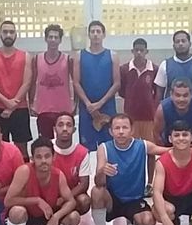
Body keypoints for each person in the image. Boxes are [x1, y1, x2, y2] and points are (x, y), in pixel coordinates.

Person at [90, 114, 176, 225]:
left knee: (148, 222)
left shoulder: (142, 145)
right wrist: (102, 171)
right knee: (96, 191)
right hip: (113, 199)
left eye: (125, 127)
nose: (121, 131)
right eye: (117, 128)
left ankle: (131, 223)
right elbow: (98, 182)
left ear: (132, 130)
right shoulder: (104, 148)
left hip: (134, 200)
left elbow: (167, 151)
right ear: (111, 131)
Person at [3, 137, 81, 225]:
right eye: (39, 157)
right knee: (17, 211)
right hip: (27, 215)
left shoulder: (58, 175)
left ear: (54, 157)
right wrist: (37, 200)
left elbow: (71, 201)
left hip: (47, 216)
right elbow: (8, 201)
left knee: (74, 217)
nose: (43, 160)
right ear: (32, 158)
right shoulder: (24, 171)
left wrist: (56, 217)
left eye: (47, 156)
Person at [0, 21, 33, 159]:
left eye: (11, 32)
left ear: (16, 34)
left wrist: (13, 104)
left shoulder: (25, 56)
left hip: (20, 109)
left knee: (22, 149)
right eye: (5, 32)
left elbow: (27, 83)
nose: (8, 35)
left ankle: (24, 173)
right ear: (0, 34)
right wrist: (7, 103)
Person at [73, 20, 120, 151]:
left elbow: (117, 83)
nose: (95, 34)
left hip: (107, 106)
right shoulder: (79, 55)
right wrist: (88, 104)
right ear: (88, 35)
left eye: (98, 31)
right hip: (86, 108)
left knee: (109, 146)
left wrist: (100, 103)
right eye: (92, 31)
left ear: (103, 35)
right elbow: (76, 82)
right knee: (86, 147)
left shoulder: (113, 55)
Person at [119, 38, 158, 196]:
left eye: (142, 50)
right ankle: (133, 183)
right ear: (132, 51)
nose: (139, 53)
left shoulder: (154, 69)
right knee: (131, 152)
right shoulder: (124, 69)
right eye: (137, 50)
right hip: (131, 119)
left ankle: (150, 184)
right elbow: (122, 91)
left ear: (147, 51)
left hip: (149, 118)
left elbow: (157, 92)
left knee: (150, 152)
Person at [30, 24, 74, 139]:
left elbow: (76, 83)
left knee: (64, 143)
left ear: (60, 40)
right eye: (50, 37)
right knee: (45, 143)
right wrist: (31, 104)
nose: (53, 40)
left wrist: (75, 105)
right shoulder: (37, 59)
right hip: (43, 110)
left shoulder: (68, 59)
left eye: (56, 37)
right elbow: (32, 83)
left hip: (63, 110)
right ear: (46, 39)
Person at [52, 112, 91, 218]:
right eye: (60, 125)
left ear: (74, 129)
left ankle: (68, 220)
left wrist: (63, 198)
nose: (65, 129)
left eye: (69, 125)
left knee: (84, 200)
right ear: (54, 129)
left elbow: (84, 184)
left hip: (71, 194)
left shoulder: (82, 152)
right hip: (49, 194)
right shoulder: (46, 148)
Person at [153, 78, 192, 147]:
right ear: (171, 94)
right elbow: (157, 134)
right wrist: (166, 151)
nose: (181, 99)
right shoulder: (162, 109)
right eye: (178, 95)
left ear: (191, 94)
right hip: (168, 147)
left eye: (185, 95)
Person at [154, 30, 192, 101]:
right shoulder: (165, 65)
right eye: (177, 41)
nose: (180, 44)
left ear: (190, 44)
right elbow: (159, 93)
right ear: (173, 46)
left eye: (183, 41)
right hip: (171, 107)